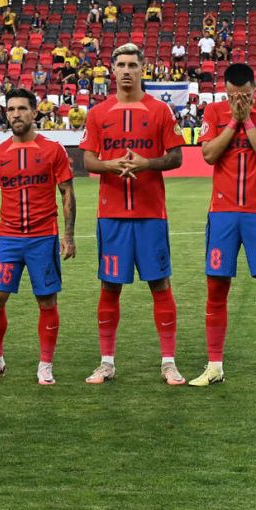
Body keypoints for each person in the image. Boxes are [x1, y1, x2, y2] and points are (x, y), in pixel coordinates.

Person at [79, 43, 186, 386]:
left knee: (159, 283)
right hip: (111, 216)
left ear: (143, 70)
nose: (126, 70)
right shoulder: (98, 113)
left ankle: (168, 362)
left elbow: (176, 158)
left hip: (151, 214)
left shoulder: (161, 111)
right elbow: (89, 160)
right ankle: (107, 362)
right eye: (121, 65)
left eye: (132, 65)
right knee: (110, 287)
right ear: (112, 71)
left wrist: (145, 163)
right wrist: (111, 165)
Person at [191, 62, 256, 388]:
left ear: (255, 89)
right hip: (222, 213)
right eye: (234, 94)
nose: (239, 99)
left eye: (246, 94)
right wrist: (232, 124)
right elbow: (208, 154)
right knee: (216, 289)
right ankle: (214, 366)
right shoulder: (212, 111)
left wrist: (247, 120)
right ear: (225, 90)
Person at [0, 89, 76, 386]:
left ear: (34, 113)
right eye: (10, 109)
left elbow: (67, 193)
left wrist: (68, 235)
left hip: (44, 238)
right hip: (9, 239)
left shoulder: (53, 150)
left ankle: (45, 365)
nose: (15, 114)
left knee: (46, 301)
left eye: (21, 108)